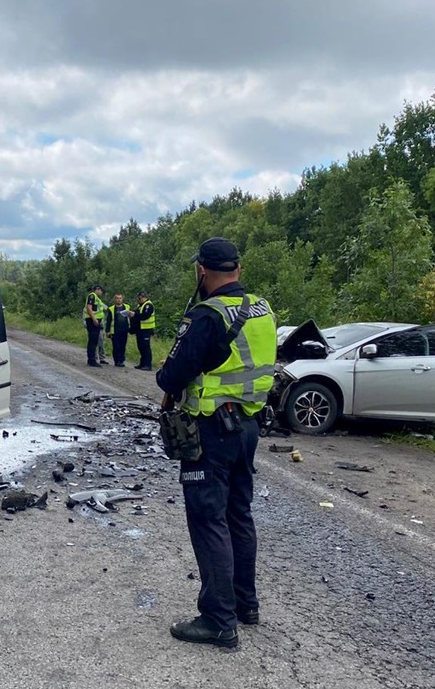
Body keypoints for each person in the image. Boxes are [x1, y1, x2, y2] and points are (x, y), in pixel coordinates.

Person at [156, 237, 277, 649]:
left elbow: (170, 377)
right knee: (238, 514)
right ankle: (246, 604)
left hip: (210, 430)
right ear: (238, 269)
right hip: (247, 427)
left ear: (202, 271)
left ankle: (219, 621)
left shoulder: (206, 316)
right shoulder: (262, 309)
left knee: (209, 520)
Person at [83, 285, 106, 368]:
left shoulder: (97, 298)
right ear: (97, 289)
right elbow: (89, 308)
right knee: (92, 341)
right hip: (92, 321)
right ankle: (92, 360)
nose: (101, 293)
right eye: (101, 291)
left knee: (94, 340)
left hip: (95, 321)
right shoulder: (92, 296)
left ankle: (92, 359)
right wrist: (94, 319)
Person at [108, 293, 132, 366]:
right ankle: (116, 360)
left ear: (122, 299)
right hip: (114, 330)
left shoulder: (127, 307)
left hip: (124, 330)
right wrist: (107, 331)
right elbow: (108, 320)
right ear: (115, 299)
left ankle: (121, 360)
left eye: (120, 298)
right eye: (117, 298)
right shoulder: (111, 309)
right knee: (116, 346)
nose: (119, 300)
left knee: (122, 346)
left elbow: (130, 318)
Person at [134, 291, 156, 371]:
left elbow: (145, 316)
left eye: (139, 298)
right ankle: (142, 363)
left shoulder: (148, 305)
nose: (138, 300)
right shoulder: (141, 305)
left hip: (146, 329)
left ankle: (148, 365)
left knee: (146, 347)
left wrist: (134, 315)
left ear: (143, 297)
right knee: (141, 347)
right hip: (140, 330)